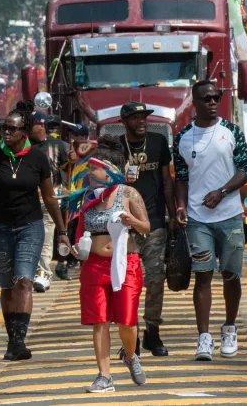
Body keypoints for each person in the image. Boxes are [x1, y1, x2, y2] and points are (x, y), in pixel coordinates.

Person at [0, 101, 69, 361]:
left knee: (24, 281)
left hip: (30, 226)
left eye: (11, 129)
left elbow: (49, 197)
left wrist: (62, 230)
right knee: (7, 285)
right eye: (3, 127)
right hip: (0, 227)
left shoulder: (38, 158)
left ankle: (18, 340)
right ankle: (12, 339)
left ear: (23, 132)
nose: (5, 132)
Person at [174, 80, 247, 362]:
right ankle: (203, 338)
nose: (212, 102)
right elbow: (181, 177)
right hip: (198, 219)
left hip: (230, 216)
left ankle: (229, 328)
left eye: (216, 98)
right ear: (194, 102)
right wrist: (181, 205)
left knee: (231, 275)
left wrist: (222, 193)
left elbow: (246, 170)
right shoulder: (183, 137)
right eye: (206, 98)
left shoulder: (231, 132)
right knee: (203, 276)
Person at [65, 135, 150, 393]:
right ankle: (104, 377)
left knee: (127, 321)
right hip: (93, 266)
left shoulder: (129, 194)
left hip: (126, 264)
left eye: (94, 168)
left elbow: (146, 226)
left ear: (109, 169)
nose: (90, 173)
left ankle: (131, 355)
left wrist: (130, 220)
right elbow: (79, 229)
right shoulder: (87, 196)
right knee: (99, 321)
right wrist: (75, 247)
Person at [114, 102, 175, 356]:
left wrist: (172, 213)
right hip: (124, 225)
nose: (142, 121)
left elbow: (166, 181)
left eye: (144, 117)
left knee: (155, 279)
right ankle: (131, 338)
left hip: (155, 222)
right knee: (127, 283)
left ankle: (152, 332)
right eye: (136, 117)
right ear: (125, 120)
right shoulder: (116, 146)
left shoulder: (159, 142)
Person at [29, 111, 70, 293]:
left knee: (46, 235)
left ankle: (44, 273)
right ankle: (30, 272)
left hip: (50, 197)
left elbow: (67, 169)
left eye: (32, 125)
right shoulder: (24, 146)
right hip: (27, 198)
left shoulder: (59, 146)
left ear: (41, 125)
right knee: (30, 237)